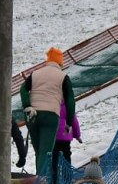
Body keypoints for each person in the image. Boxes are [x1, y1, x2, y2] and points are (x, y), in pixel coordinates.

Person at [20, 48, 76, 176]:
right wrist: (69, 122)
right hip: (50, 116)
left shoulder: (35, 73)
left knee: (39, 152)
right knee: (46, 153)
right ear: (60, 63)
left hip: (32, 115)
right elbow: (70, 101)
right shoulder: (63, 77)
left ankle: (38, 183)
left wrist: (27, 106)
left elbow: (23, 89)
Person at [51, 99, 81, 184]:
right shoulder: (68, 106)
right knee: (66, 156)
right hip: (66, 136)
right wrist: (77, 135)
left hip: (54, 136)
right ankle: (68, 178)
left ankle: (54, 180)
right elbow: (74, 122)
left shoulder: (51, 105)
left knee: (54, 158)